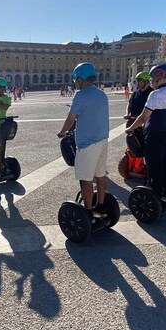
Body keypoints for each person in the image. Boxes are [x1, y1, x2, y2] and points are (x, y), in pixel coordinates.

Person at [57, 62, 109, 220]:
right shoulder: (102, 94)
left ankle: (88, 212)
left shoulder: (81, 95)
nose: (75, 83)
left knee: (86, 179)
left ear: (80, 78)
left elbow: (70, 119)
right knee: (100, 175)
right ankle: (100, 206)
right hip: (102, 141)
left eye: (75, 80)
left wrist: (62, 132)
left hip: (87, 145)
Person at [126, 64, 166, 203]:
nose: (151, 82)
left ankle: (156, 195)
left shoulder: (155, 94)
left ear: (158, 77)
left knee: (153, 166)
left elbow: (144, 117)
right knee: (165, 162)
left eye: (152, 78)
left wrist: (130, 128)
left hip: (155, 135)